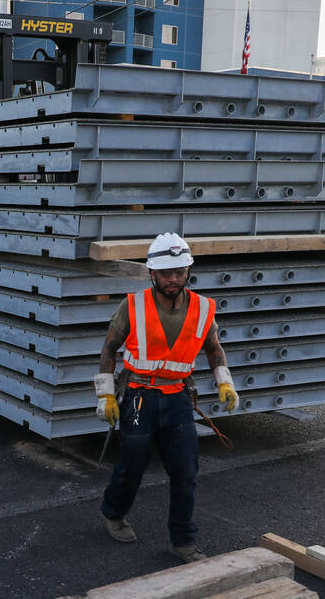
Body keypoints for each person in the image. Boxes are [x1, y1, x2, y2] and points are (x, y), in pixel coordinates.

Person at [93, 232, 238, 563]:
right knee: (133, 462)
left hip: (177, 398)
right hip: (139, 395)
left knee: (186, 471)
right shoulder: (132, 306)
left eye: (179, 272)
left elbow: (214, 348)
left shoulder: (202, 308)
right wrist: (106, 396)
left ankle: (183, 540)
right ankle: (113, 512)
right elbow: (110, 348)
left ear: (188, 271)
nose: (173, 279)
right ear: (152, 273)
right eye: (166, 273)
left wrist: (224, 383)